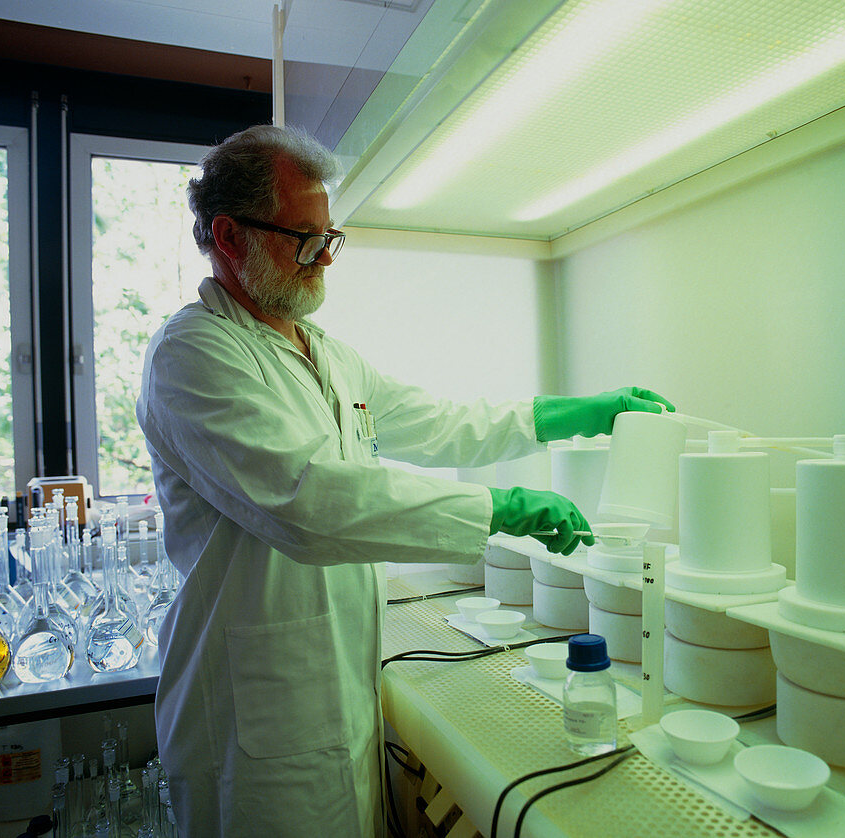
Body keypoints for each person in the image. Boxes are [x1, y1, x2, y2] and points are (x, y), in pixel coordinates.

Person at [136, 124, 674, 838]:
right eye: (304, 237)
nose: (324, 258)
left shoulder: (323, 352)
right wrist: (500, 509)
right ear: (230, 237)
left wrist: (570, 414)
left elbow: (440, 422)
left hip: (338, 695)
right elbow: (310, 500)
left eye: (330, 237)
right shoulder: (195, 354)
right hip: (253, 719)